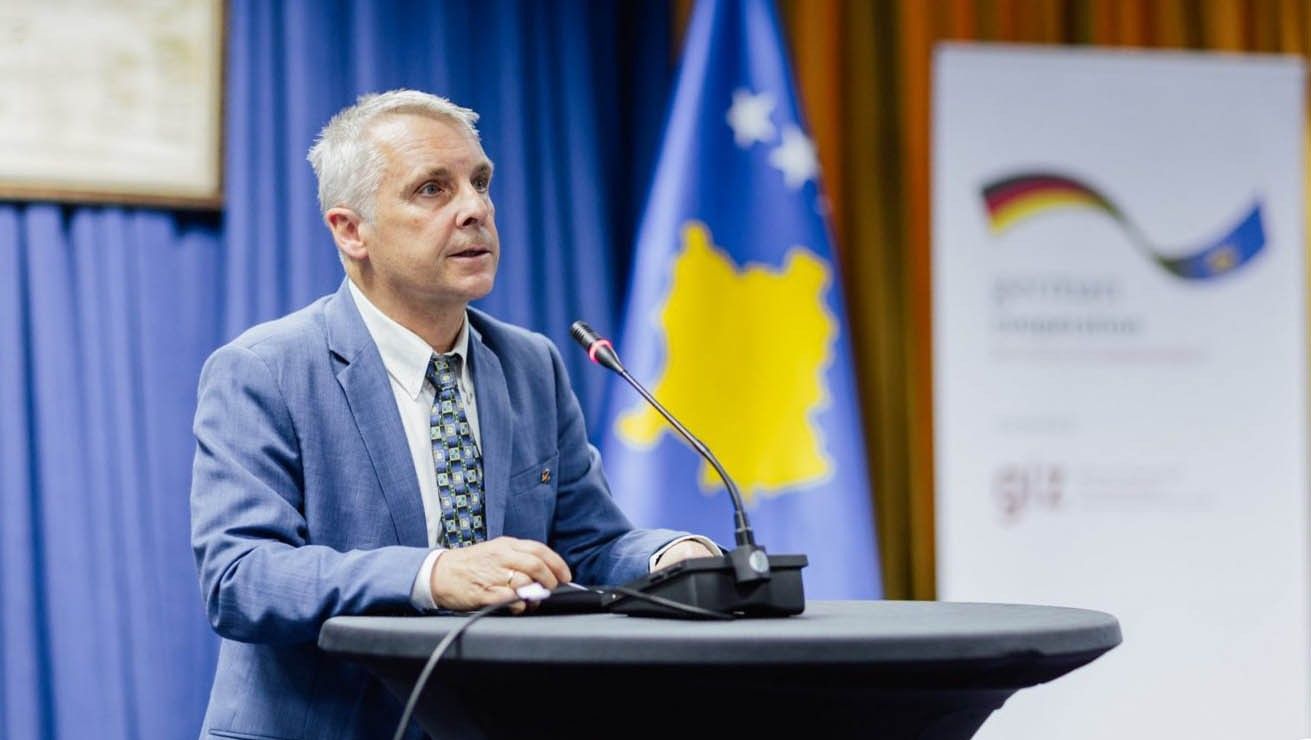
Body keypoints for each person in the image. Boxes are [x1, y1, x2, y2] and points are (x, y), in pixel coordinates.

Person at [190, 89, 716, 739]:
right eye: (432, 189)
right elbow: (241, 577)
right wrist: (433, 575)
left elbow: (588, 543)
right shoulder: (264, 370)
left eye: (480, 183)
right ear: (350, 230)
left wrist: (671, 558)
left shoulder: (531, 364)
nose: (475, 209)